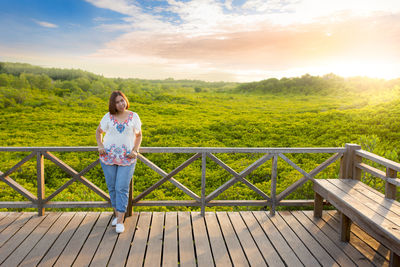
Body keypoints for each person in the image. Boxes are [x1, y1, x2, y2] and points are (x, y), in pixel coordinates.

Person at [96, 90, 142, 233]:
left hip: (127, 158)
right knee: (112, 187)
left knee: (121, 186)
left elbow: (139, 135)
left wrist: (135, 150)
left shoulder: (134, 116)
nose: (121, 104)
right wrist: (100, 145)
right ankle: (117, 215)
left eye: (122, 100)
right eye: (117, 102)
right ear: (113, 104)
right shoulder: (108, 117)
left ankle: (120, 221)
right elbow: (98, 132)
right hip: (108, 157)